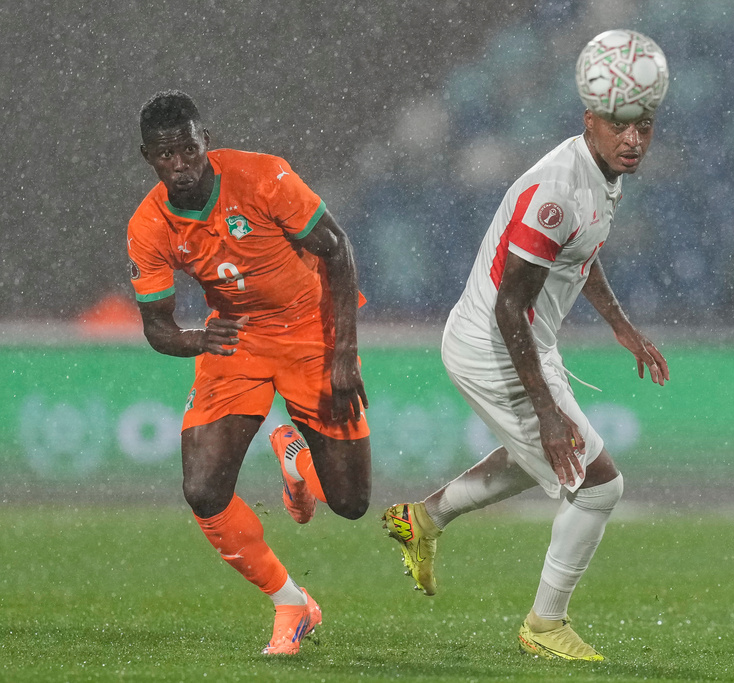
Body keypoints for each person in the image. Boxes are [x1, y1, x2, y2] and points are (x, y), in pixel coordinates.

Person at [382, 55, 671, 660]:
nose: (633, 139)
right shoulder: (557, 193)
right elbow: (509, 309)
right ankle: (544, 625)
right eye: (620, 126)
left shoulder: (601, 176)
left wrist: (621, 326)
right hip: (493, 344)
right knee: (598, 486)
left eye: (643, 126)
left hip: (519, 338)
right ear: (589, 119)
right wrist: (545, 407)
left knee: (548, 456)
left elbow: (581, 255)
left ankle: (423, 519)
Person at [127, 90, 371, 656]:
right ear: (148, 158)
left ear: (204, 141)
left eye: (188, 149)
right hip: (235, 336)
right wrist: (195, 341)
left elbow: (337, 250)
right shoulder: (148, 224)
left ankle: (295, 455)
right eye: (166, 156)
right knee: (203, 489)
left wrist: (341, 353)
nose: (180, 163)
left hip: (312, 330)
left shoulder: (264, 178)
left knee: (352, 503)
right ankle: (291, 602)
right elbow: (157, 328)